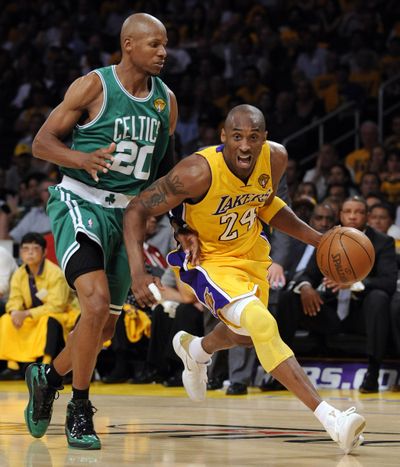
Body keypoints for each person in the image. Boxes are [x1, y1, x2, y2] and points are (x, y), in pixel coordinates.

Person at [124, 104, 366, 454]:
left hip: (250, 253)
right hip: (207, 260)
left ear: (264, 139)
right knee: (262, 324)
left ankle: (196, 350)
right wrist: (138, 270)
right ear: (224, 137)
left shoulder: (276, 158)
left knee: (247, 335)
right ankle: (332, 419)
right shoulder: (197, 170)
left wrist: (318, 239)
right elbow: (138, 208)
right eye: (236, 136)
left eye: (253, 137)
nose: (245, 145)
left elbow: (267, 205)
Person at [24, 13, 179, 450]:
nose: (163, 52)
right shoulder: (94, 86)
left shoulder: (166, 101)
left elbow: (168, 172)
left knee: (103, 329)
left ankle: (48, 377)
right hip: (79, 201)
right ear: (128, 45)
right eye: (154, 44)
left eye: (165, 44)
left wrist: (179, 222)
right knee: (92, 304)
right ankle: (79, 407)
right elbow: (41, 142)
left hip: (128, 216)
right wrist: (81, 159)